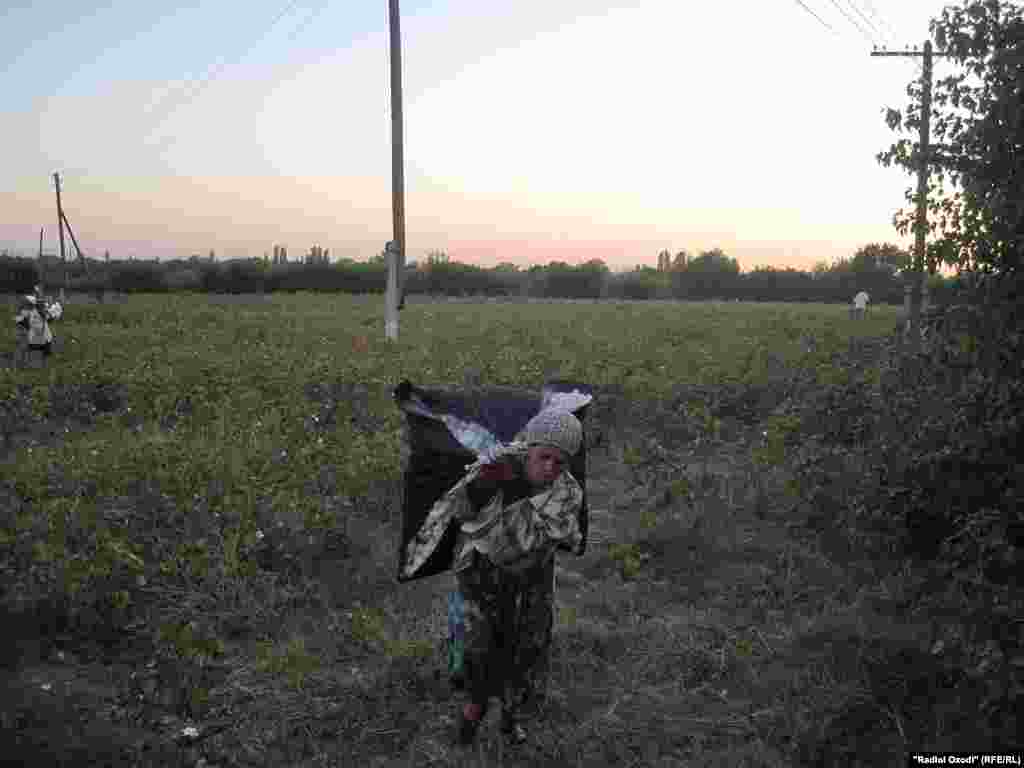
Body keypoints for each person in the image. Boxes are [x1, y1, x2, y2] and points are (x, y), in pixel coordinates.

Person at [401, 409, 584, 747]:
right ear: (529, 449)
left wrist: (511, 501)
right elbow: (459, 512)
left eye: (560, 463)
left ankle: (510, 721)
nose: (550, 468)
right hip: (481, 582)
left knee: (525, 650)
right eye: (544, 457)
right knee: (480, 651)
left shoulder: (566, 493)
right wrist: (483, 488)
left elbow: (541, 536)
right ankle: (469, 721)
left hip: (530, 586)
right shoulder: (494, 467)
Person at [14, 293, 55, 365]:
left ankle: (40, 364)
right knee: (28, 349)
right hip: (37, 338)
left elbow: (50, 318)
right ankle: (28, 363)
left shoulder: (38, 312)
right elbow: (20, 319)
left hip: (42, 338)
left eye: (26, 304)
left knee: (40, 350)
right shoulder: (29, 312)